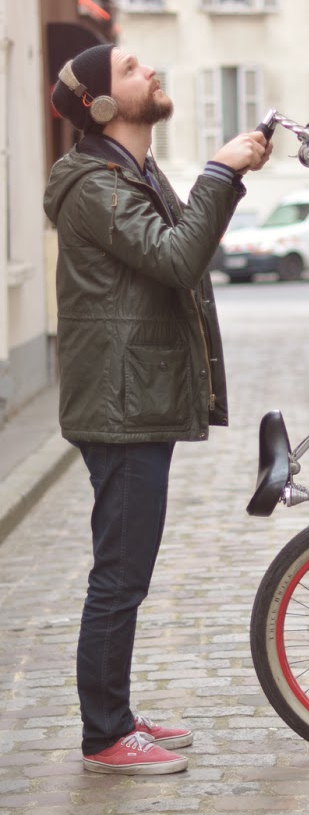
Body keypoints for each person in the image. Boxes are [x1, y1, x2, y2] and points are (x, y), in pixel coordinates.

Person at [44, 44, 272, 774]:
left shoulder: (129, 172)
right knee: (119, 574)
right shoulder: (93, 185)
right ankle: (104, 737)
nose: (150, 71)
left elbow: (184, 251)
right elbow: (176, 258)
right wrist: (219, 171)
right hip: (120, 407)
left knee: (125, 570)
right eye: (132, 67)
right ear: (102, 105)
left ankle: (116, 715)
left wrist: (221, 181)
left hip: (133, 398)